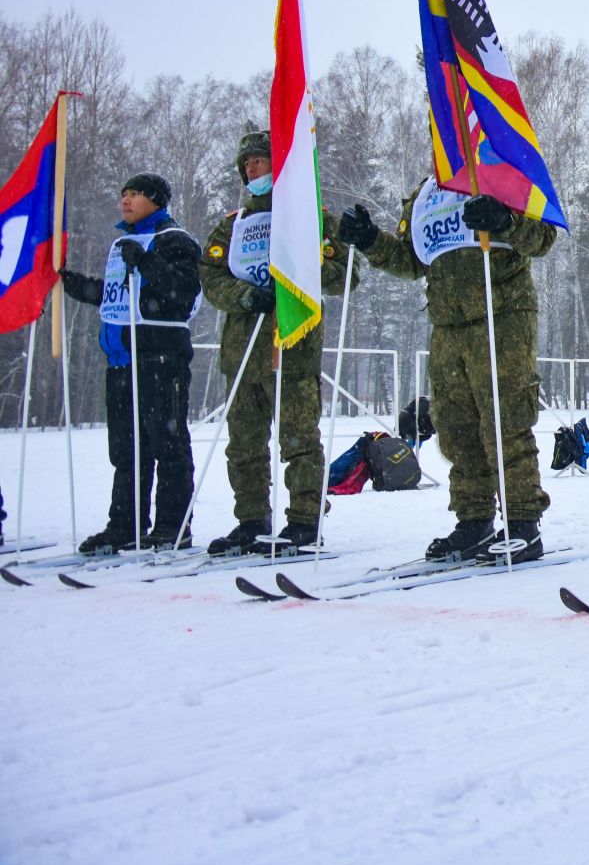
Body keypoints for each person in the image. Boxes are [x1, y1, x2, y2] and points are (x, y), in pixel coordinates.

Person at [337, 178, 558, 563]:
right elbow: (411, 260)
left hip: (502, 315)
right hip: (447, 325)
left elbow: (543, 236)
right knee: (456, 429)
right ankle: (473, 520)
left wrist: (504, 221)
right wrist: (371, 239)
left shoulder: (500, 170)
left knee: (505, 421)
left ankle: (523, 521)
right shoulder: (425, 195)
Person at [200, 131, 355, 556]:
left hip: (292, 347)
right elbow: (211, 278)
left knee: (299, 439)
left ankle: (304, 521)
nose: (252, 168)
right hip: (242, 351)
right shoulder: (232, 225)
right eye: (246, 162)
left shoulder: (309, 217)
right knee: (244, 445)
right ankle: (251, 520)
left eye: (260, 160)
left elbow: (344, 274)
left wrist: (295, 274)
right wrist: (246, 295)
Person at [59, 174, 202, 553]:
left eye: (135, 194)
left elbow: (183, 293)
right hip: (121, 360)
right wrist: (74, 284)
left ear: (156, 200)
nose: (126, 200)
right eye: (122, 193)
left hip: (160, 357)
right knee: (126, 450)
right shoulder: (122, 243)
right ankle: (126, 524)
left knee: (166, 442)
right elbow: (114, 296)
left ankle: (174, 526)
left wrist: (148, 261)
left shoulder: (176, 240)